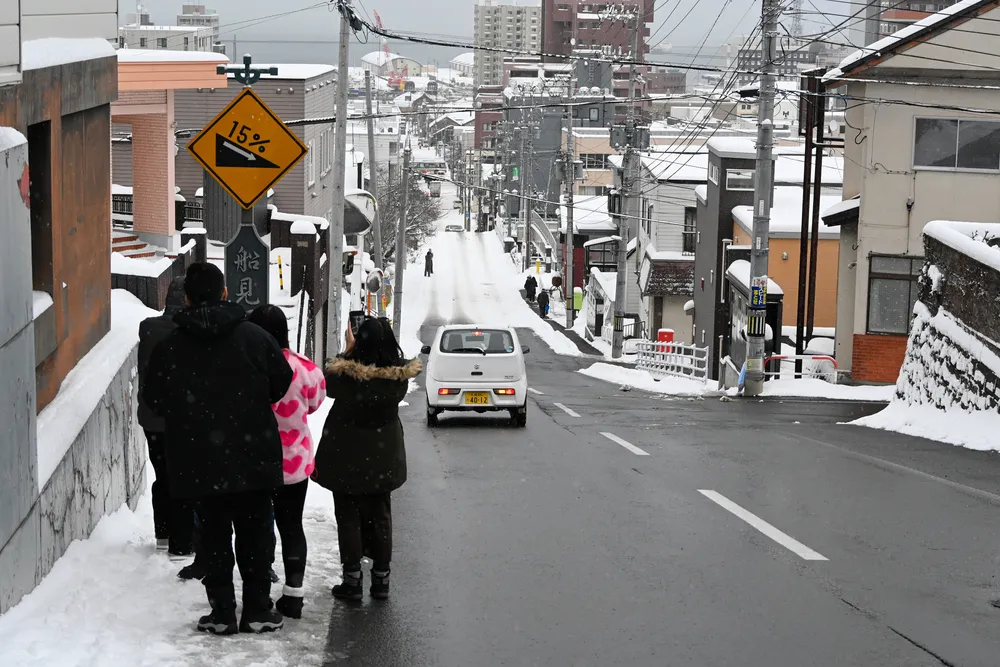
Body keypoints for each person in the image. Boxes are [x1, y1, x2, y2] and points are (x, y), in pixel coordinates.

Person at [143, 262, 293, 636]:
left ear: (187, 299)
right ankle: (258, 608)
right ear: (225, 292)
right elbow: (281, 381)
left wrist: (191, 412)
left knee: (213, 537)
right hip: (253, 454)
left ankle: (222, 612)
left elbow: (154, 399)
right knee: (255, 535)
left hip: (198, 458)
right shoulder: (255, 337)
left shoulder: (170, 347)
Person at [312, 317, 422, 601]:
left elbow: (328, 382)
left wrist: (348, 352)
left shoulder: (347, 379)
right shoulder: (396, 380)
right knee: (381, 514)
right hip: (383, 456)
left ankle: (352, 580)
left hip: (345, 455)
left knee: (348, 515)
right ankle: (381, 579)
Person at [247, 305, 327, 620]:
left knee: (256, 526)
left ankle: (261, 586)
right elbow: (316, 402)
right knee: (292, 526)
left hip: (254, 461)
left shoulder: (247, 365)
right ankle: (294, 594)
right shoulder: (306, 369)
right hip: (294, 462)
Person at [137, 277, 195, 560]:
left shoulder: (149, 328)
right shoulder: (189, 332)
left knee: (162, 476)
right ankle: (182, 542)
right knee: (183, 477)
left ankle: (162, 534)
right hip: (181, 420)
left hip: (152, 418)